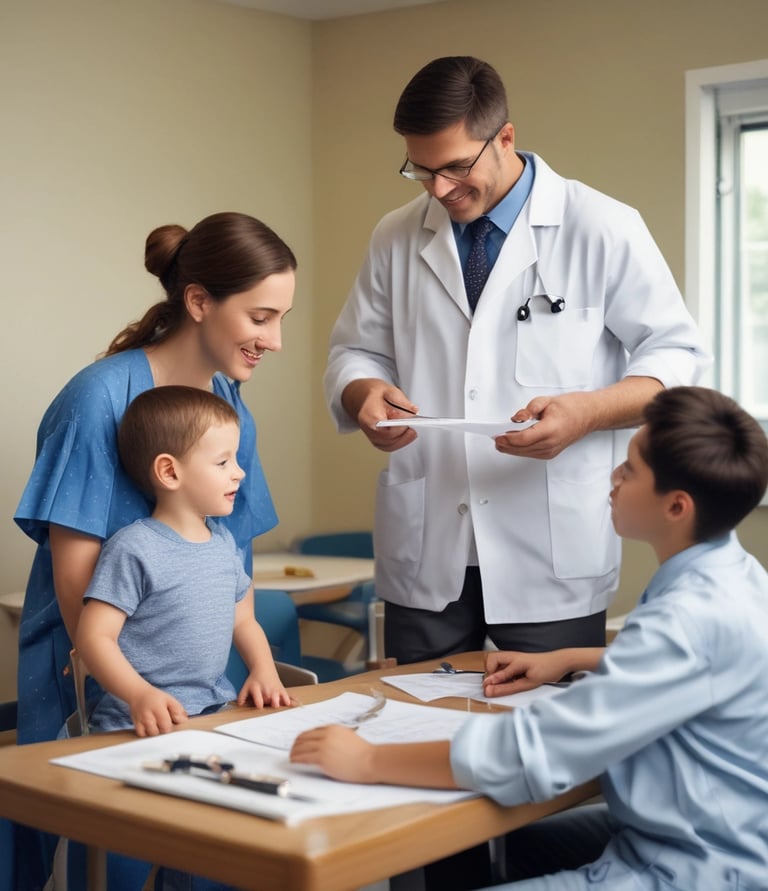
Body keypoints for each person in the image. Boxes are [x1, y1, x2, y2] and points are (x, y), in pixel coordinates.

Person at [290, 386, 768, 890]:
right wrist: (568, 658)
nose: (613, 477)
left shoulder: (686, 619)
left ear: (676, 507)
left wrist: (365, 759)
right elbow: (696, 667)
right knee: (520, 845)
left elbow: (537, 752)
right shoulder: (736, 577)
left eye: (630, 469)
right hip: (719, 832)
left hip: (695, 868)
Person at [323, 56, 710, 667]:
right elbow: (354, 351)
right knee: (405, 724)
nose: (439, 190)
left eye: (455, 167)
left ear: (505, 137)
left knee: (552, 736)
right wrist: (364, 393)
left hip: (551, 548)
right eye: (421, 172)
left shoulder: (602, 227)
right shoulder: (394, 235)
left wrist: (587, 411)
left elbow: (679, 356)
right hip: (429, 545)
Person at [14, 211, 295, 890]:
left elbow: (236, 560)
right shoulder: (97, 401)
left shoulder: (231, 408)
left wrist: (246, 666)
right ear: (198, 301)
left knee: (209, 858)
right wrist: (136, 691)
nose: (276, 340)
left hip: (195, 683)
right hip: (100, 677)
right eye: (261, 317)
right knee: (99, 857)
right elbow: (81, 592)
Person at [76, 386, 292, 737]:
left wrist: (264, 670)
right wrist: (139, 695)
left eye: (236, 460)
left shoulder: (224, 543)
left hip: (212, 714)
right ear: (170, 472)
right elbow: (94, 637)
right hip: (136, 724)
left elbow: (245, 620)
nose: (239, 473)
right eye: (223, 462)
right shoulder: (134, 548)